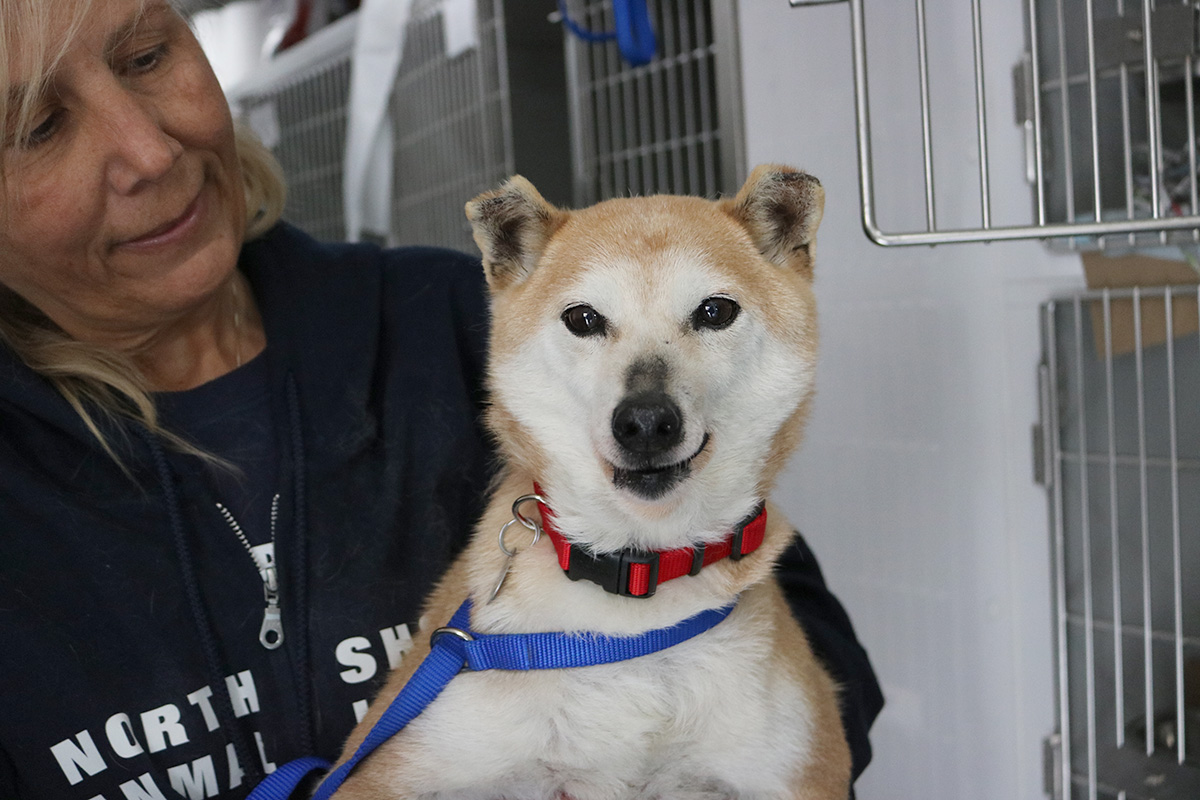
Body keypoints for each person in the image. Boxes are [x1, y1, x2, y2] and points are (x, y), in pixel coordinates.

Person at [0, 1, 883, 798]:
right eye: (39, 126)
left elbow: (801, 643)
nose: (150, 153)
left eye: (148, 55)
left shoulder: (461, 323)